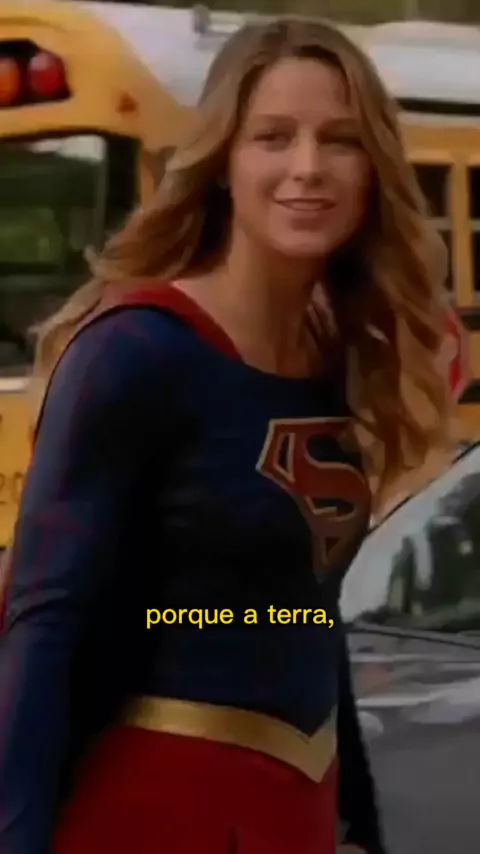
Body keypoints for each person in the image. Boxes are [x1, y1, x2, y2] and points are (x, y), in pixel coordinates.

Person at [0, 15, 452, 854]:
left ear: (374, 168)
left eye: (340, 140)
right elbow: (42, 622)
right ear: (223, 164)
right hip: (155, 811)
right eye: (273, 137)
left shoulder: (338, 351)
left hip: (298, 809)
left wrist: (358, 824)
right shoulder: (136, 351)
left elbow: (305, 608)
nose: (307, 166)